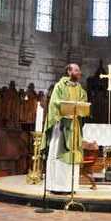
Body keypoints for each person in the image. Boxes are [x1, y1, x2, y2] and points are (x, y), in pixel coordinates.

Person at [41, 64, 88, 194]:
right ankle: (57, 186)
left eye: (79, 70)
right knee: (59, 155)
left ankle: (70, 186)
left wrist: (81, 109)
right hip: (61, 126)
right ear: (69, 71)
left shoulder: (80, 89)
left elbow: (83, 103)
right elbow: (54, 102)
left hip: (74, 126)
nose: (79, 72)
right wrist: (65, 111)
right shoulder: (59, 86)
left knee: (72, 156)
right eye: (76, 70)